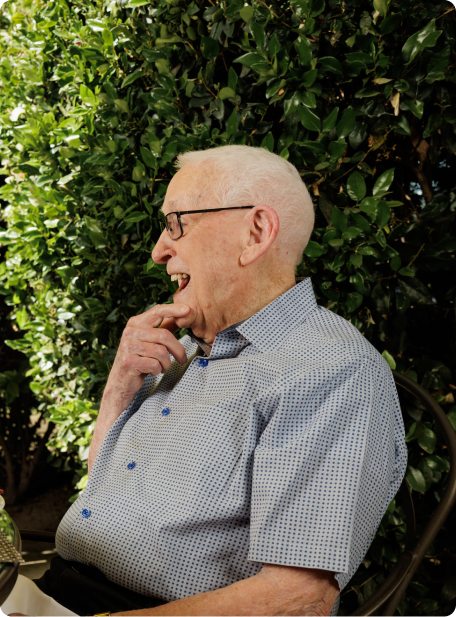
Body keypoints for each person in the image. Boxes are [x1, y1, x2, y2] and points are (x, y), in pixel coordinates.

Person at [7, 145, 407, 617]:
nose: (158, 250)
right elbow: (105, 486)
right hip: (59, 591)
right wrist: (119, 386)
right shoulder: (190, 348)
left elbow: (298, 599)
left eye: (177, 222)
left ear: (255, 232)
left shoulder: (331, 370)